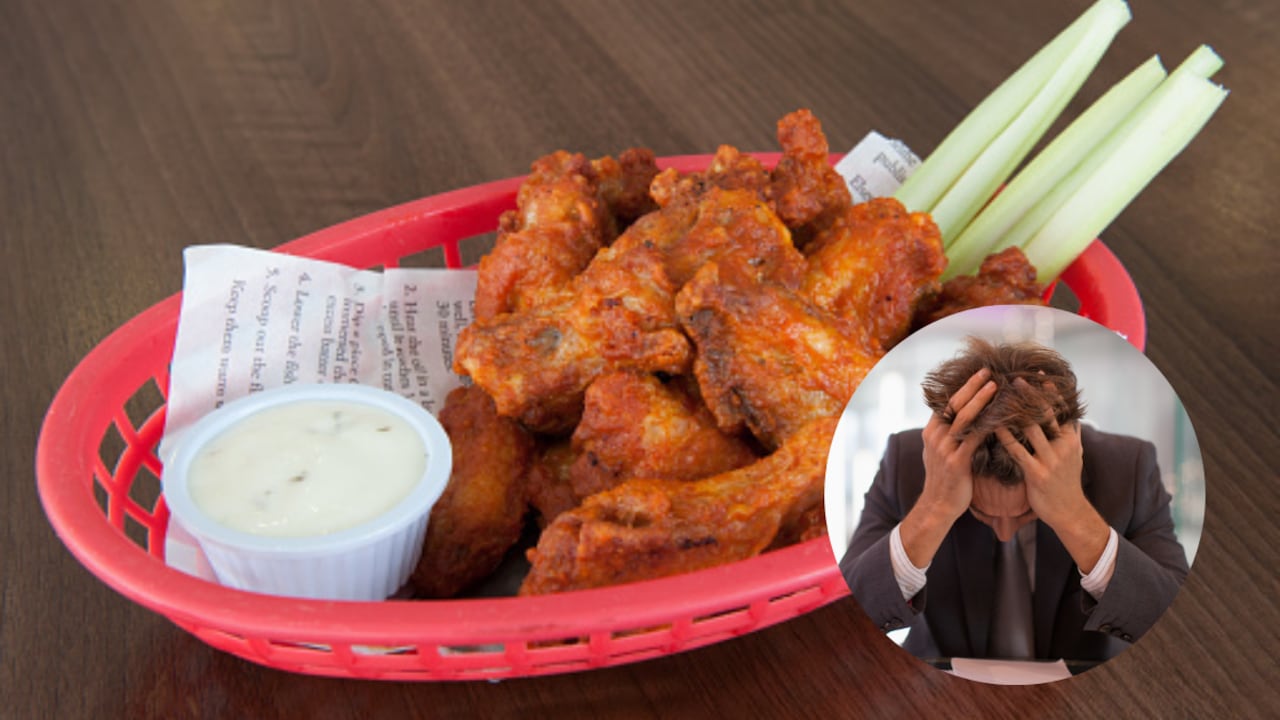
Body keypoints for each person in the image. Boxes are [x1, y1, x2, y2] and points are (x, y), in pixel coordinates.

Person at [839, 338, 1188, 662]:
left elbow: (1181, 628)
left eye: (1025, 515)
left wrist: (1073, 516)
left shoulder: (1129, 467)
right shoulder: (908, 462)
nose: (1004, 533)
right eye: (984, 514)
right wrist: (934, 509)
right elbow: (845, 615)